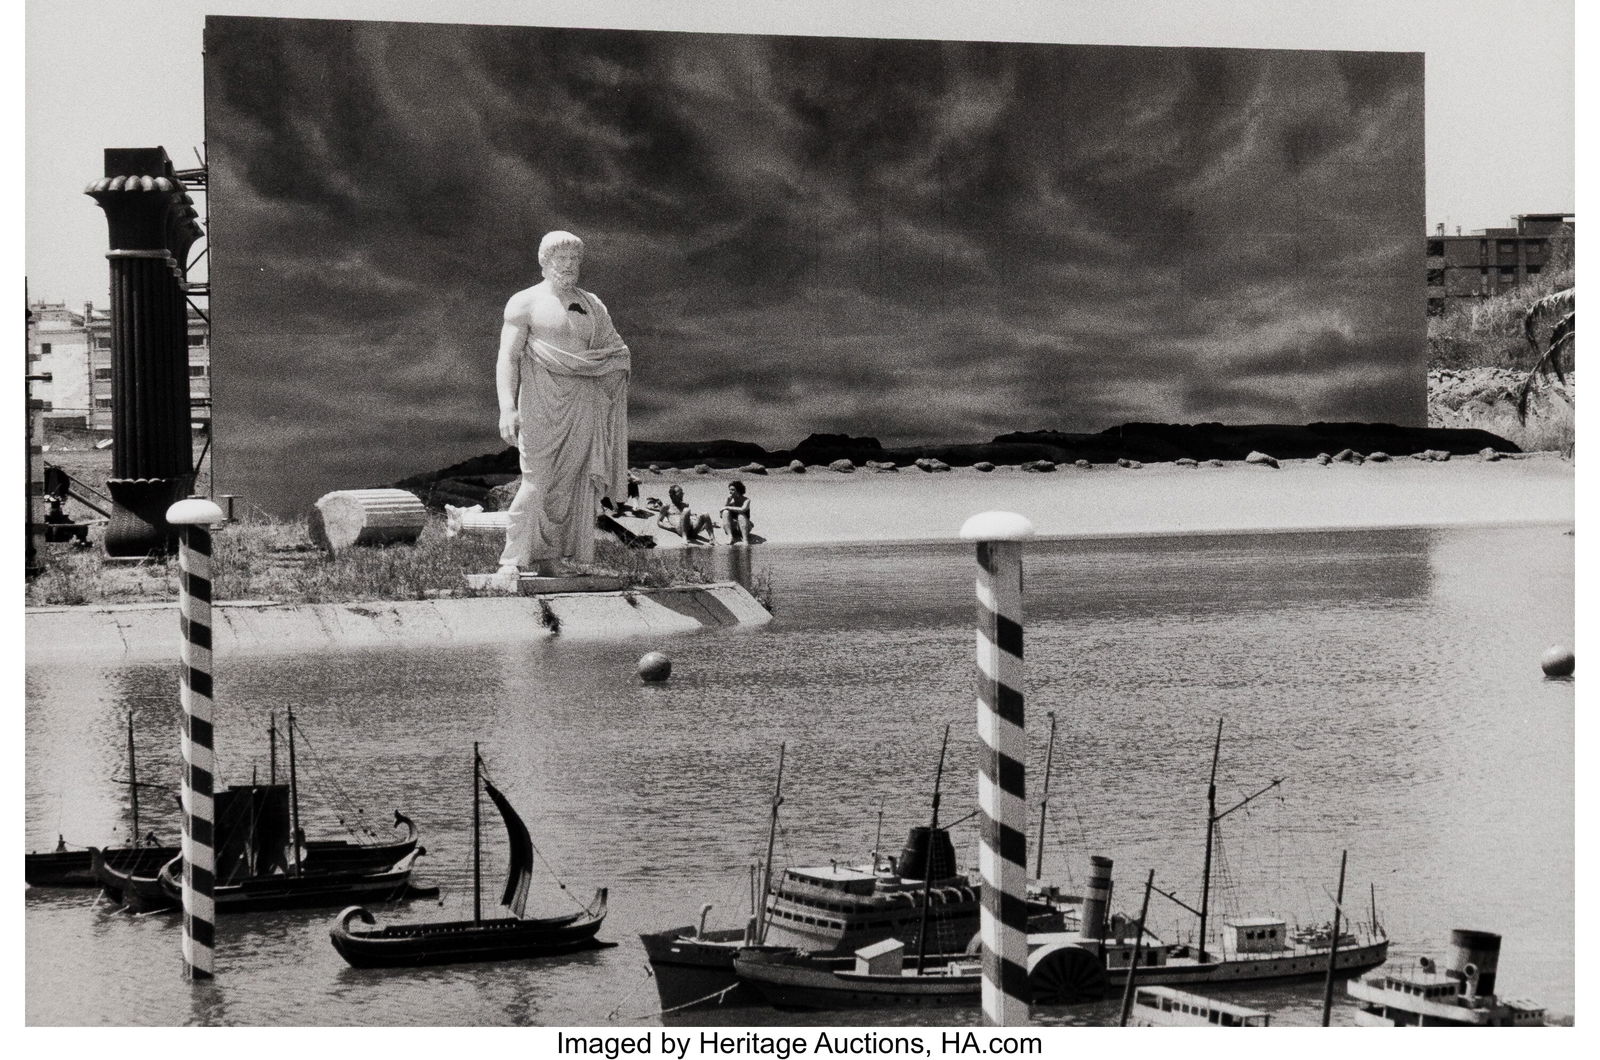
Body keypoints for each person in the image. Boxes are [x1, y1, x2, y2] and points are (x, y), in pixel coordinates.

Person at [495, 231, 631, 576]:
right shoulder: (524, 302)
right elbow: (508, 357)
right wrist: (507, 407)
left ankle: (549, 557)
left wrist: (611, 374)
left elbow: (615, 350)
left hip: (583, 404)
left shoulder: (592, 304)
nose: (569, 265)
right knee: (536, 480)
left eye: (574, 259)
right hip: (541, 402)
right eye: (562, 259)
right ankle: (512, 559)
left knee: (567, 485)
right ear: (545, 262)